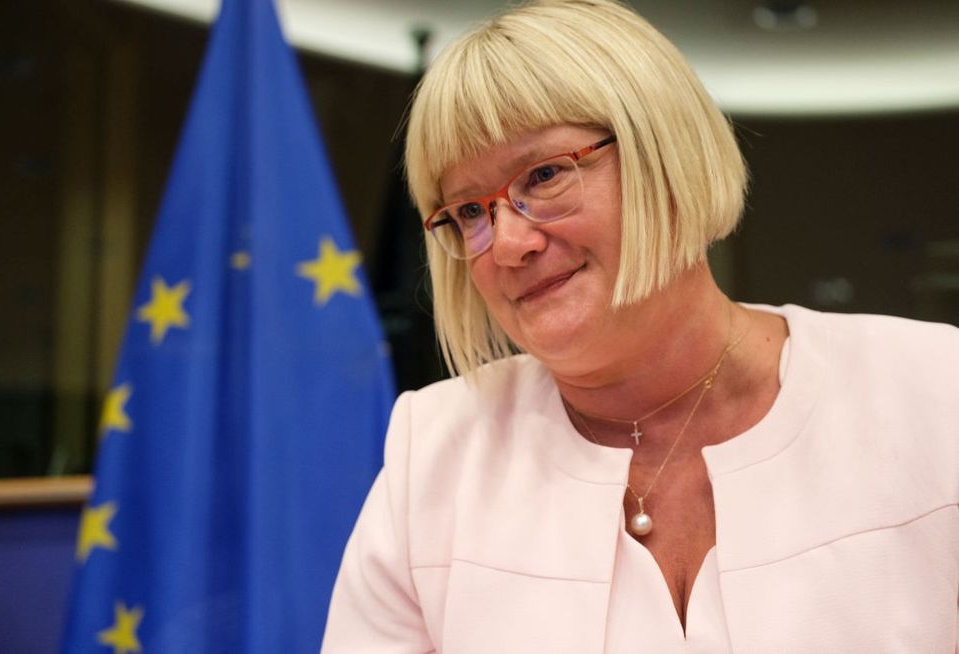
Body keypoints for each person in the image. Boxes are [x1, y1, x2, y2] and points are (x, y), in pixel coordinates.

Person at [322, 0, 959, 651]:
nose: (509, 244)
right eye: (468, 212)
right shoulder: (433, 455)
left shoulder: (935, 392)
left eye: (545, 175)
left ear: (665, 154)